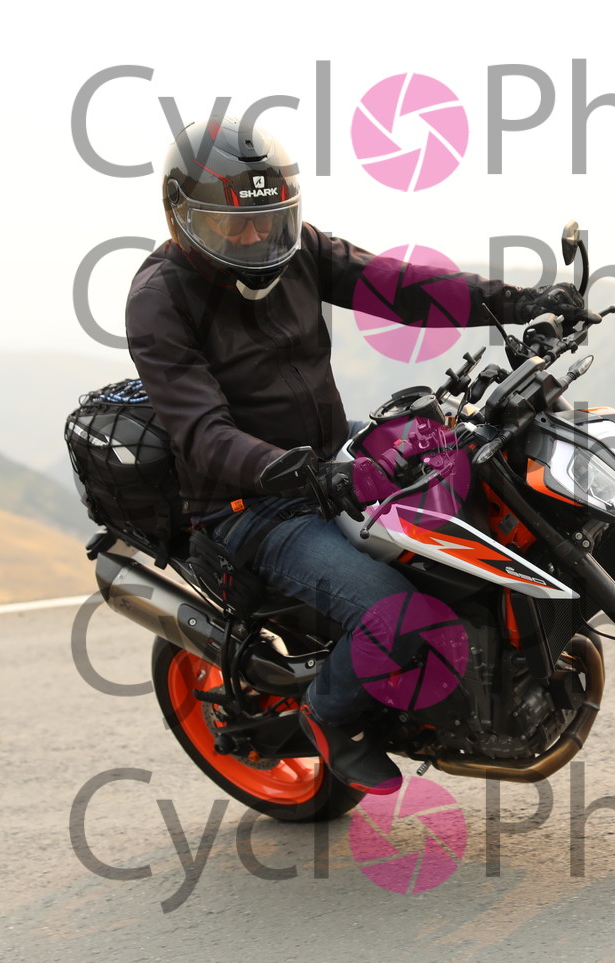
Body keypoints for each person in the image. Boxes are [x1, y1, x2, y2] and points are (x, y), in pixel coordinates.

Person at [125, 114, 590, 795]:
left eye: (270, 220)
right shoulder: (159, 300)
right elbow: (203, 433)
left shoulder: (298, 249)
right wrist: (305, 474)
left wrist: (521, 302)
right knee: (397, 615)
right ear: (184, 220)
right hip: (252, 501)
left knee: (477, 472)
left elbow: (400, 285)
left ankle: (505, 652)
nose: (257, 238)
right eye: (234, 227)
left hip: (329, 453)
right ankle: (331, 714)